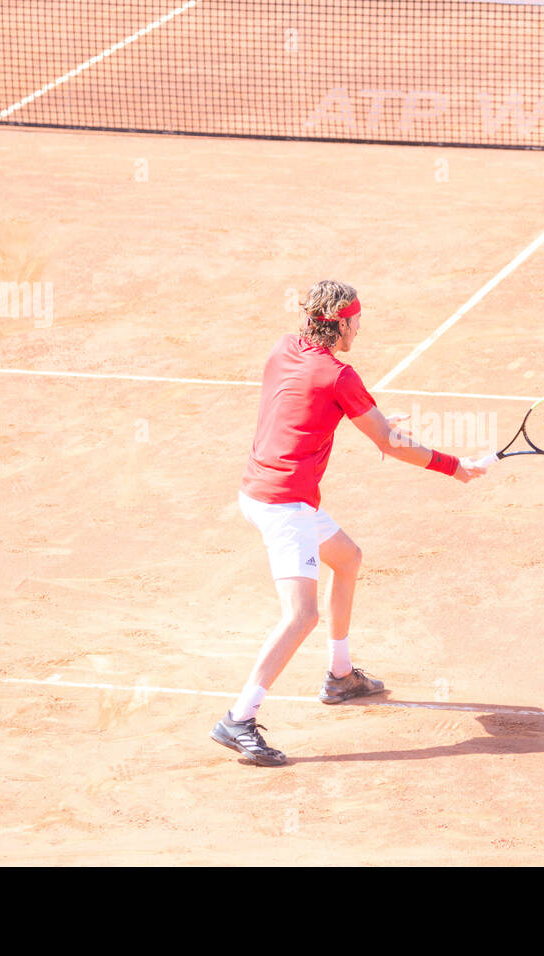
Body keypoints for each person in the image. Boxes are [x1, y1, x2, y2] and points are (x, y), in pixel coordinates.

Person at [212, 279, 487, 766]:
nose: (359, 330)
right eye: (356, 323)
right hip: (285, 504)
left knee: (349, 558)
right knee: (301, 616)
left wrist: (369, 418)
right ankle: (239, 717)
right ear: (339, 323)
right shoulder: (341, 377)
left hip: (256, 489)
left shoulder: (284, 349)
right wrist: (454, 466)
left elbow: (305, 403)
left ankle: (341, 676)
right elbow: (388, 443)